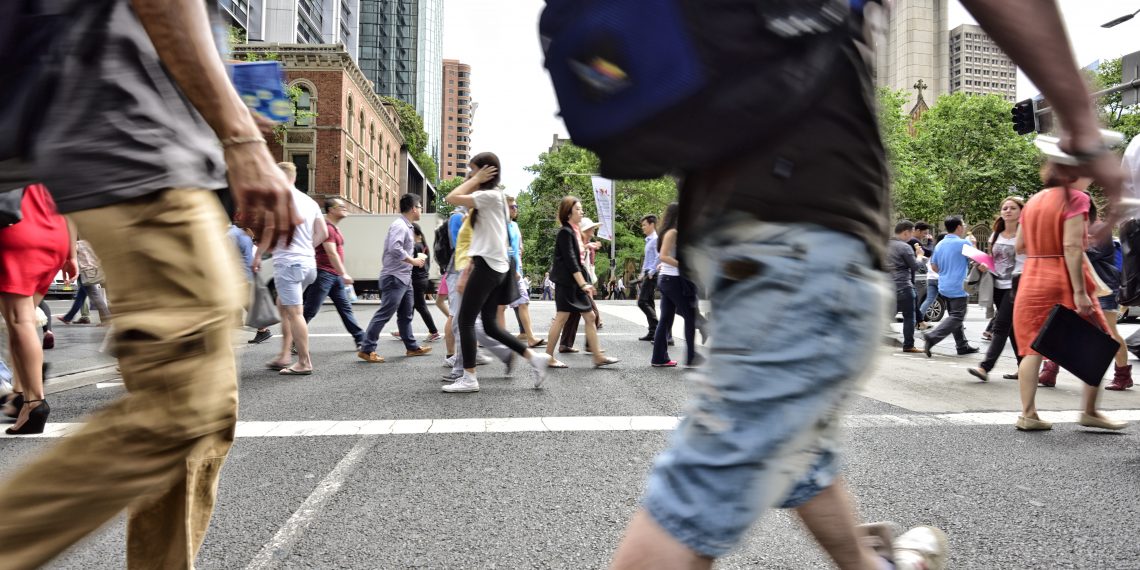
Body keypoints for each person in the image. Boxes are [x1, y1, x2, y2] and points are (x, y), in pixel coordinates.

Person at [607, 1, 1128, 568]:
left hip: (742, 229)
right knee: (761, 451)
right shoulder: (1068, 199)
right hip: (801, 226)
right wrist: (1080, 122)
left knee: (773, 437)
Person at [0, 0, 299, 565]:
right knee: (185, 400)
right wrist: (241, 136)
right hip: (128, 136)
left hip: (142, 140)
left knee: (202, 420)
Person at [1012, 174, 1126, 431]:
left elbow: (1020, 245)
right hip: (1063, 277)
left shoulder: (1034, 200)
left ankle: (1028, 414)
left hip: (1033, 276)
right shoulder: (1076, 198)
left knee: (1031, 347)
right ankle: (1090, 411)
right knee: (1100, 341)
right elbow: (1072, 247)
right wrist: (1080, 292)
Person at [442, 153, 552, 392]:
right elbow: (487, 237)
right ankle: (534, 358)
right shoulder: (496, 197)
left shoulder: (489, 196)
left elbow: (450, 197)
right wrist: (468, 269)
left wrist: (476, 179)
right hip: (496, 266)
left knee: (465, 320)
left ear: (486, 171)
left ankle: (469, 378)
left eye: (473, 170)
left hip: (488, 266)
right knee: (490, 325)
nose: (470, 175)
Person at [0, 185, 75, 434]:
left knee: (19, 321)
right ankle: (20, 394)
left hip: (16, 228)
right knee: (22, 321)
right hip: (56, 232)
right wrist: (72, 254)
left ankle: (34, 402)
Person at [257, 162, 325, 375]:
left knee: (295, 313)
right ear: (294, 177)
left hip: (289, 263)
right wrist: (306, 248)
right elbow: (322, 233)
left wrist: (258, 255)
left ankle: (304, 362)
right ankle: (284, 354)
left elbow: (269, 230)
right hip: (309, 265)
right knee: (283, 304)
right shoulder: (310, 202)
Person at [357, 193, 433, 363]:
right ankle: (367, 349)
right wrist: (413, 260)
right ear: (413, 208)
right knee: (385, 313)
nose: (421, 209)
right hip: (394, 277)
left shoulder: (408, 227)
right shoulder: (399, 225)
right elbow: (394, 248)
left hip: (404, 278)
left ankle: (412, 347)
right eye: (420, 206)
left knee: (406, 315)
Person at [544, 199, 619, 369]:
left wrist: (586, 247)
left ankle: (598, 356)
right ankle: (548, 357)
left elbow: (576, 255)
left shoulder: (575, 231)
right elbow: (571, 261)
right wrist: (583, 284)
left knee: (590, 316)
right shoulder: (565, 232)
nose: (582, 212)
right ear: (568, 212)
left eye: (581, 209)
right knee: (561, 317)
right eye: (578, 209)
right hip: (567, 282)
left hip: (575, 283)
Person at [968, 197, 1026, 382]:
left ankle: (985, 367)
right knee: (1012, 328)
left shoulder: (1026, 234)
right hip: (997, 286)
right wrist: (984, 265)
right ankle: (1024, 368)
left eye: (1013, 208)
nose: (1008, 211)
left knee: (1000, 326)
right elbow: (993, 260)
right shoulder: (995, 235)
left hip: (1016, 285)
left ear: (1021, 212)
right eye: (1005, 208)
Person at [302, 197, 367, 350]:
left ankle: (360, 339)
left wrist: (340, 274)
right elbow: (331, 253)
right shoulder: (328, 228)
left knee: (345, 309)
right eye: (341, 206)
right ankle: (294, 339)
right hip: (324, 274)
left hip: (334, 275)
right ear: (331, 210)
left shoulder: (334, 228)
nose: (345, 208)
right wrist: (343, 273)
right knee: (310, 310)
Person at [650, 203, 704, 368]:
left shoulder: (669, 231)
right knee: (690, 316)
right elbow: (663, 256)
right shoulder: (673, 232)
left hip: (668, 280)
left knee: (666, 319)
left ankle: (659, 358)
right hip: (673, 280)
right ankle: (691, 358)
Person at [922, 217, 980, 357]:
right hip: (958, 286)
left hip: (944, 285)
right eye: (963, 225)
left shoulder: (940, 244)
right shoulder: (963, 243)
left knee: (954, 316)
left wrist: (946, 273)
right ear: (959, 227)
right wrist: (974, 244)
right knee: (958, 316)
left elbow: (934, 266)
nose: (964, 227)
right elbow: (978, 258)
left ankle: (962, 346)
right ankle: (932, 337)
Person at [1089, 212, 1132, 391]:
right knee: (1064, 328)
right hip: (1086, 287)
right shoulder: (1078, 228)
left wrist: (1071, 245)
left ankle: (1122, 375)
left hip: (1104, 287)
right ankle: (1050, 370)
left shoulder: (1101, 229)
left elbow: (1092, 254)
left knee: (1110, 332)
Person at [558, 217, 606, 353]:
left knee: (574, 313)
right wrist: (585, 285)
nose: (593, 232)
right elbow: (574, 262)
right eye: (591, 229)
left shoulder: (584, 244)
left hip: (580, 281)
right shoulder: (578, 243)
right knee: (592, 313)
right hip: (578, 282)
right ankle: (590, 345)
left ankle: (565, 344)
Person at [503, 194, 545, 347]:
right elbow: (504, 249)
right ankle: (528, 337)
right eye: (512, 207)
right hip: (507, 269)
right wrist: (512, 269)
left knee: (518, 302)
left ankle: (525, 334)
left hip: (515, 268)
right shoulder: (502, 225)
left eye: (516, 206)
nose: (515, 209)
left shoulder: (514, 226)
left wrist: (520, 251)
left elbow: (519, 246)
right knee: (519, 301)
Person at [391, 223, 441, 342]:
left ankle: (434, 332)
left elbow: (409, 262)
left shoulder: (415, 246)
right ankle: (404, 330)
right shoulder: (424, 245)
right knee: (411, 306)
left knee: (420, 306)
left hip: (416, 280)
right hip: (422, 279)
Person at [888, 220, 927, 354]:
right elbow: (915, 266)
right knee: (909, 316)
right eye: (911, 233)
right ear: (906, 232)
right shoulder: (905, 247)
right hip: (903, 285)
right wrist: (920, 256)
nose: (911, 237)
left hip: (888, 285)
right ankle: (908, 345)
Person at [636, 214, 661, 341]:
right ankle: (653, 332)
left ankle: (658, 328)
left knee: (642, 302)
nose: (643, 227)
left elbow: (659, 256)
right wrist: (642, 273)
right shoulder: (648, 240)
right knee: (650, 302)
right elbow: (647, 259)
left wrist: (651, 271)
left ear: (652, 225)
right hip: (648, 273)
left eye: (645, 225)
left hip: (652, 274)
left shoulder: (656, 239)